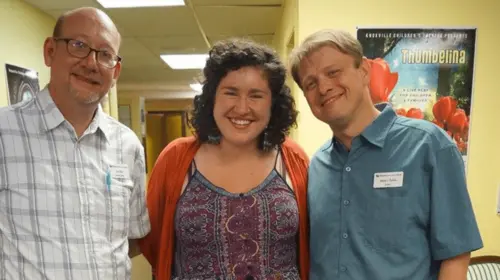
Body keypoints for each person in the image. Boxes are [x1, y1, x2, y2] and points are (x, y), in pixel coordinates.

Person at [289, 29, 483, 280]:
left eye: (333, 72)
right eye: (310, 83)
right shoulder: (316, 166)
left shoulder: (428, 146)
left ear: (365, 71)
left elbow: (455, 255)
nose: (324, 87)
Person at [135, 38, 310, 280]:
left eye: (256, 96)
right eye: (230, 93)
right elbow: (154, 242)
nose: (241, 108)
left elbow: (312, 241)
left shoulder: (294, 160)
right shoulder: (176, 159)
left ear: (273, 105)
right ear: (212, 98)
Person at [0, 7, 150, 280]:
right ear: (50, 52)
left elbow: (131, 240)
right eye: (78, 45)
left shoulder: (128, 146)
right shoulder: (4, 132)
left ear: (115, 71)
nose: (91, 63)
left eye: (105, 54)